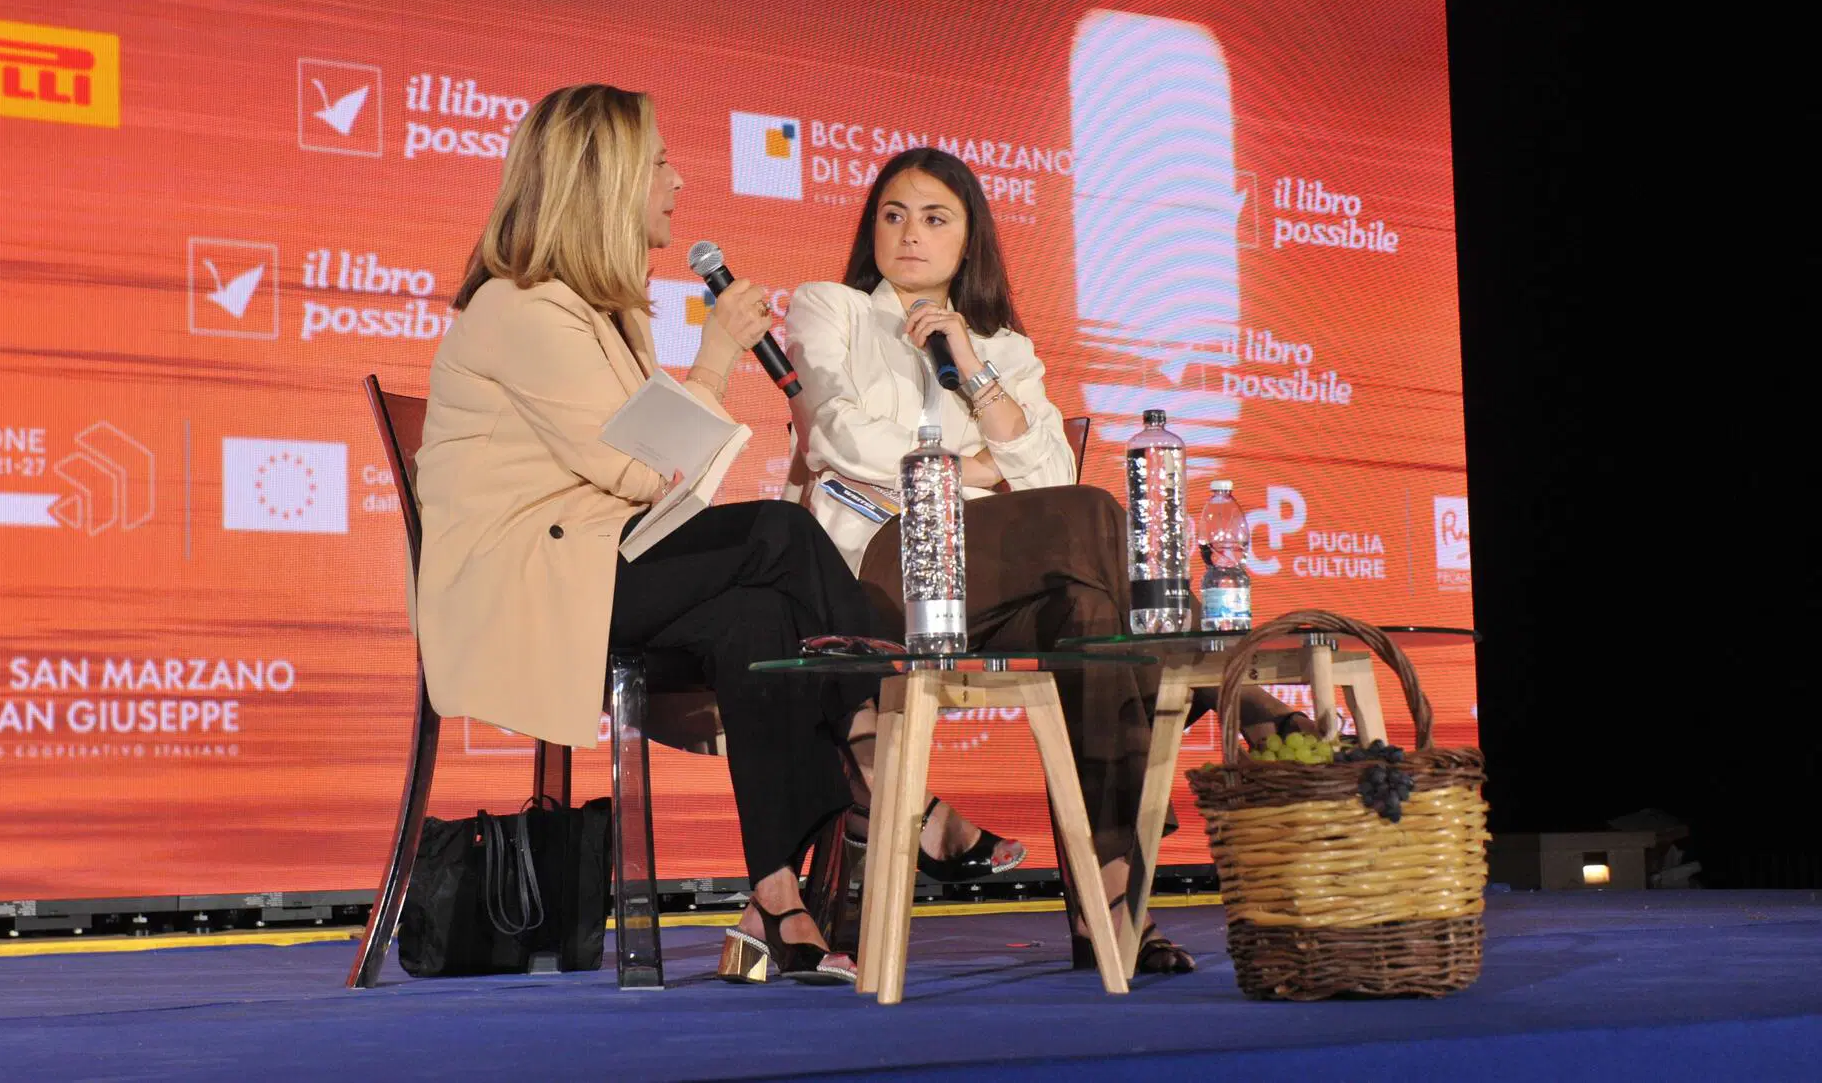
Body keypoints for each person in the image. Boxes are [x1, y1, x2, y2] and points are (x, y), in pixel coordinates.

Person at [413, 87, 994, 985]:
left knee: (757, 619)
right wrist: (717, 352)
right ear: (601, 182)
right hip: (533, 591)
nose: (677, 179)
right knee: (779, 533)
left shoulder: (600, 311)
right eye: (657, 163)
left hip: (598, 565)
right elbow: (641, 470)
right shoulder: (522, 309)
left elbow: (653, 489)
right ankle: (890, 777)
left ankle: (776, 895)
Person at [783, 146, 1312, 975]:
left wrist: (973, 366)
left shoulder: (1004, 349)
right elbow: (835, 436)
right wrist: (979, 467)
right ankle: (1222, 710)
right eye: (893, 215)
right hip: (878, 571)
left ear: (969, 241)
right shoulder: (832, 309)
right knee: (1095, 519)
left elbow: (1050, 473)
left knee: (1093, 613)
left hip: (990, 584)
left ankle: (1107, 882)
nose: (910, 234)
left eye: (933, 218)